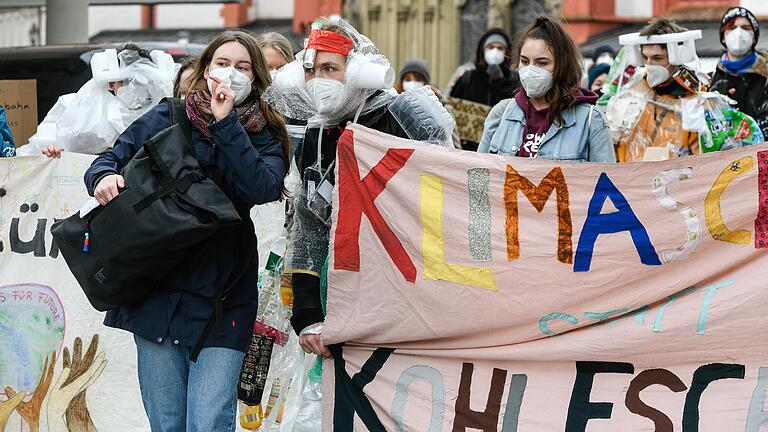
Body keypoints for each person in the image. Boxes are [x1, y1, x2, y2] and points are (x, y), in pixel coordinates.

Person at [83, 30, 289, 431]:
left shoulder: (266, 134)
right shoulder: (168, 116)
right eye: (223, 64)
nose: (231, 74)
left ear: (257, 79)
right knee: (168, 423)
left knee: (209, 422)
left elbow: (262, 187)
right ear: (205, 69)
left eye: (243, 68)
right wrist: (104, 177)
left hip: (224, 297)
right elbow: (107, 159)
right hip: (159, 291)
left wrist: (227, 124)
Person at [266, 17, 452, 358]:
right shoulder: (316, 134)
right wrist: (307, 315)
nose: (319, 80)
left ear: (356, 70)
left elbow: (448, 195)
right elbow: (309, 226)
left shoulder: (399, 116)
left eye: (330, 69)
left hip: (408, 293)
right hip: (340, 296)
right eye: (312, 70)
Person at [608, 19, 762, 162]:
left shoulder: (697, 104)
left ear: (677, 57)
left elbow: (705, 163)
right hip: (631, 186)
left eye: (657, 58)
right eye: (645, 58)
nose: (649, 65)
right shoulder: (632, 96)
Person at [478, 16, 615, 162]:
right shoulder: (501, 114)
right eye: (524, 61)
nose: (530, 70)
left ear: (562, 67)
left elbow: (605, 182)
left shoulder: (591, 121)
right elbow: (478, 176)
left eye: (542, 63)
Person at [21, 43, 175, 156]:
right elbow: (41, 147)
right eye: (127, 81)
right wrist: (50, 150)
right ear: (111, 83)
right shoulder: (78, 107)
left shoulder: (163, 113)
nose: (135, 88)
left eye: (141, 82)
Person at [450, 28, 520, 150]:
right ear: (483, 50)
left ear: (506, 52)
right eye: (491, 47)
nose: (495, 51)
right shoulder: (468, 78)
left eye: (500, 48)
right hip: (469, 148)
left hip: (501, 147)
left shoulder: (515, 79)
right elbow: (451, 110)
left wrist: (500, 83)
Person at [710, 6, 768, 137]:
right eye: (731, 28)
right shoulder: (711, 79)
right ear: (723, 37)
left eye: (746, 28)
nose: (739, 33)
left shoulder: (765, 77)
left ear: (754, 37)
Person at [396, 59, 461, 148]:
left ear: (425, 82)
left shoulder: (441, 107)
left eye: (417, 79)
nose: (412, 83)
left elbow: (454, 143)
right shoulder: (395, 107)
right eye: (407, 79)